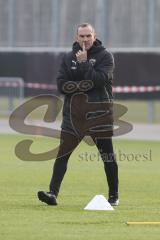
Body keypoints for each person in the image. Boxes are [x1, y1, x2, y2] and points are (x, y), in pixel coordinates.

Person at [37, 23, 119, 206]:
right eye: (81, 36)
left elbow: (98, 81)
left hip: (99, 114)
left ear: (94, 35)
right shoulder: (68, 58)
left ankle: (114, 196)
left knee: (107, 157)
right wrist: (81, 83)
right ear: (76, 37)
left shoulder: (105, 57)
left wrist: (83, 64)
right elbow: (61, 85)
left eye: (88, 36)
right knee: (62, 155)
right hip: (73, 115)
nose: (85, 40)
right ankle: (52, 194)